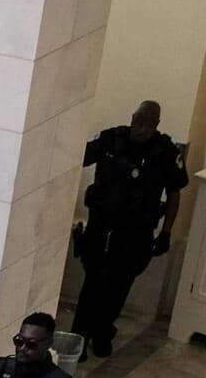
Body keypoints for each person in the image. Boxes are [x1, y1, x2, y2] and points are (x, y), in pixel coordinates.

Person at [73, 100, 188, 358]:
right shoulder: (110, 139)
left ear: (157, 125)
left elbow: (174, 193)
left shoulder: (166, 151)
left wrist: (167, 232)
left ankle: (103, 331)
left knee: (119, 285)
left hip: (136, 232)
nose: (141, 129)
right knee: (92, 282)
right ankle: (79, 337)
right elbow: (75, 159)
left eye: (148, 124)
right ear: (131, 118)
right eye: (138, 121)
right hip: (101, 227)